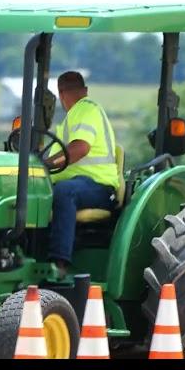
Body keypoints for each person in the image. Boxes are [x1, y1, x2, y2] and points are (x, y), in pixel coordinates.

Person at [44, 71, 119, 278]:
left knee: (65, 191)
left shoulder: (86, 110)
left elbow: (80, 148)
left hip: (100, 187)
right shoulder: (73, 117)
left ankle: (58, 264)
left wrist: (47, 163)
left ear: (60, 95)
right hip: (82, 184)